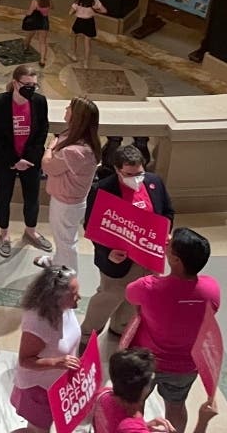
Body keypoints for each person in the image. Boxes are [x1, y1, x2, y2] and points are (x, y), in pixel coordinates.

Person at [125, 227, 220, 433]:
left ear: (176, 260)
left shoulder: (148, 286)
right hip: (185, 367)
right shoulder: (211, 289)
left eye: (170, 243)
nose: (166, 240)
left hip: (146, 362)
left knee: (136, 405)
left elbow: (130, 295)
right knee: (176, 406)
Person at [80, 145, 174, 343]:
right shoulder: (103, 189)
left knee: (137, 296)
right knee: (109, 297)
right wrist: (108, 252)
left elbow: (167, 212)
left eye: (139, 173)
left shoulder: (154, 182)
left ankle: (120, 328)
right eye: (129, 174)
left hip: (148, 258)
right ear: (117, 169)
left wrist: (164, 233)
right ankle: (88, 334)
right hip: (118, 260)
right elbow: (92, 226)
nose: (136, 178)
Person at [0, 65, 51, 258]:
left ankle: (31, 230)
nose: (31, 88)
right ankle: (4, 234)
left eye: (34, 84)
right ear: (16, 83)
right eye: (27, 84)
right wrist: (15, 161)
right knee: (4, 195)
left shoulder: (39, 101)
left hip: (30, 160)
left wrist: (28, 159)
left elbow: (42, 131)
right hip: (5, 160)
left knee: (32, 197)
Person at [11, 266, 82, 432]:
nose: (78, 297)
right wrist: (57, 362)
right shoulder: (37, 323)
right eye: (72, 295)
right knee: (38, 429)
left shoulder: (64, 309)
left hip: (57, 383)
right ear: (55, 297)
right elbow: (25, 360)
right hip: (39, 389)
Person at [36, 97, 101, 272]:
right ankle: (57, 262)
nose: (66, 108)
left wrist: (49, 148)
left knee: (66, 242)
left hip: (66, 204)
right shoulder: (78, 139)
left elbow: (49, 167)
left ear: (77, 116)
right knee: (63, 239)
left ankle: (68, 279)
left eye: (70, 107)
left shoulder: (75, 151)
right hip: (68, 200)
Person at [93, 348, 217, 433]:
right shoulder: (131, 427)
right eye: (152, 376)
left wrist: (144, 426)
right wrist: (203, 421)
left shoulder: (103, 395)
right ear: (143, 390)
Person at [70, 0, 107, 68]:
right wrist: (97, 12)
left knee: (74, 37)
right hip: (89, 23)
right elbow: (105, 11)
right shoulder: (95, 2)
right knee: (87, 43)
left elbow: (70, 13)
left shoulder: (78, 1)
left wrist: (77, 11)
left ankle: (74, 55)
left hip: (79, 22)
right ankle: (86, 62)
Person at [23, 0, 51, 67]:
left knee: (29, 36)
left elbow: (30, 12)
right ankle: (42, 60)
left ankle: (26, 47)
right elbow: (52, 7)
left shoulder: (35, 1)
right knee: (43, 42)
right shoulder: (48, 1)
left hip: (34, 21)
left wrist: (25, 16)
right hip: (44, 21)